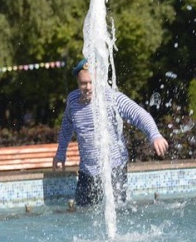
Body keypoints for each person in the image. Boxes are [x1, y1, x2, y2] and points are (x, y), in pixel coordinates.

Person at [52, 58, 169, 206]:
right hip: (87, 171)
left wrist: (154, 135)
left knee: (117, 211)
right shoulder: (73, 100)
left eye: (91, 82)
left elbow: (139, 114)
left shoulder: (111, 97)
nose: (88, 87)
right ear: (77, 82)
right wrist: (60, 154)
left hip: (114, 168)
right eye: (83, 83)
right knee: (83, 214)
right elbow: (66, 126)